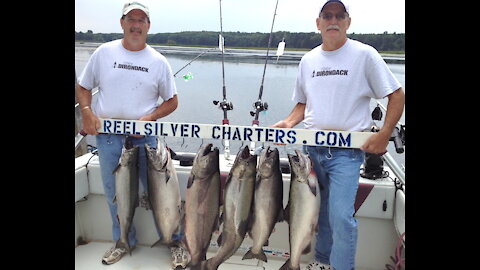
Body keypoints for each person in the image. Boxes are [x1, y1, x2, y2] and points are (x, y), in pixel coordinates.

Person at [271, 1, 405, 270]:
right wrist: (288, 122)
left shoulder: (365, 55)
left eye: (339, 16)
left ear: (348, 22)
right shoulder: (308, 60)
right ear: (318, 23)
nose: (333, 20)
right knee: (320, 215)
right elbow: (302, 104)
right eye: (327, 16)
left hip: (346, 154)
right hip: (310, 153)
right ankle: (321, 262)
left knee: (341, 217)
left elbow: (397, 94)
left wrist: (384, 134)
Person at [76, 1, 181, 265]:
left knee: (162, 194)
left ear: (148, 26)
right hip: (109, 138)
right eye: (131, 19)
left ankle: (174, 241)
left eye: (141, 20)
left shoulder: (158, 61)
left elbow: (172, 101)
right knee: (116, 194)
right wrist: (87, 111)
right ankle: (123, 241)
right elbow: (83, 86)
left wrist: (151, 116)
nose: (136, 25)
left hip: (145, 139)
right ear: (122, 23)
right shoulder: (103, 53)